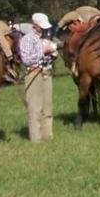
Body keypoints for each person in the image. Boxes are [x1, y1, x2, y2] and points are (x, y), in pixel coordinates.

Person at [17, 12, 59, 142]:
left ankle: (47, 135)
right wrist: (44, 51)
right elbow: (27, 59)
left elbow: (48, 54)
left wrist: (53, 55)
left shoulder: (44, 39)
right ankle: (36, 137)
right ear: (35, 25)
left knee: (47, 107)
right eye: (41, 26)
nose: (44, 28)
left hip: (47, 73)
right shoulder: (27, 39)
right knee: (35, 108)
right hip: (34, 74)